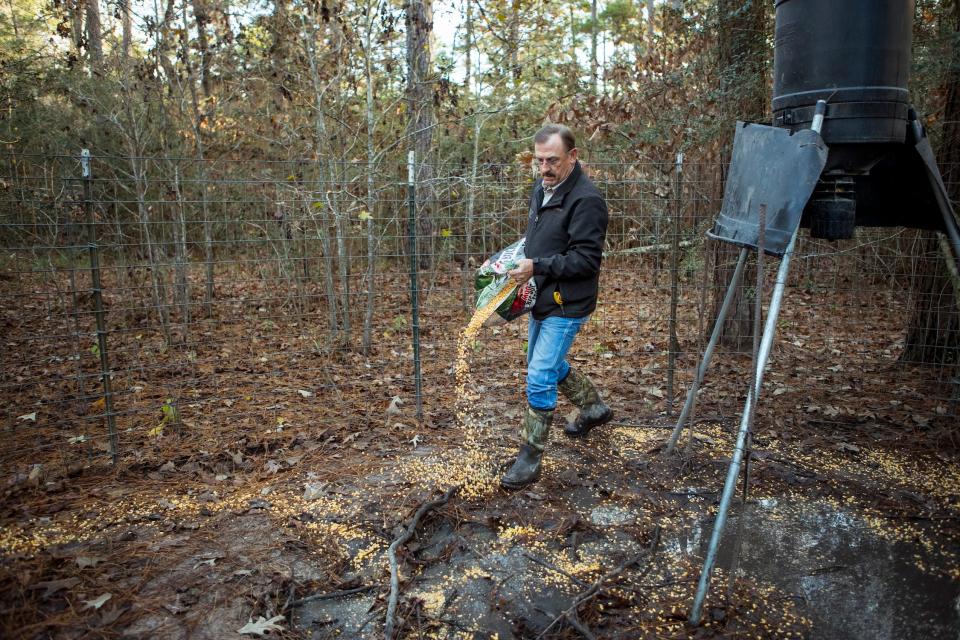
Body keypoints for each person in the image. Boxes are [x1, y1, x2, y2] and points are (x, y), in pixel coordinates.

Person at [500, 124, 613, 490]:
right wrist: (513, 261)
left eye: (553, 160)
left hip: (568, 303)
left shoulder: (587, 201)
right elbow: (540, 238)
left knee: (539, 374)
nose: (545, 168)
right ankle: (594, 409)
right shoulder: (543, 187)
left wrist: (538, 266)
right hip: (543, 295)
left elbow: (585, 260)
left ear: (573, 156)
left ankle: (529, 457)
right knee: (545, 365)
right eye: (539, 161)